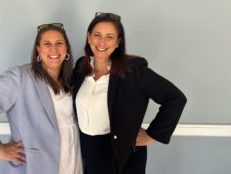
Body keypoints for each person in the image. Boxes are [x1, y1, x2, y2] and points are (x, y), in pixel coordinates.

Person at [72, 13, 187, 174]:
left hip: (121, 155)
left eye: (109, 37)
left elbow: (175, 98)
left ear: (118, 42)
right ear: (89, 37)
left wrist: (152, 134)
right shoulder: (80, 67)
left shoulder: (134, 70)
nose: (102, 42)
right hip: (88, 153)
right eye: (97, 35)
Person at [0, 23, 83, 174]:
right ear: (38, 50)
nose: (54, 49)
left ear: (67, 49)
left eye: (59, 43)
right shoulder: (20, 77)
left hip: (74, 163)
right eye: (47, 44)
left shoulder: (74, 79)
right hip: (35, 168)